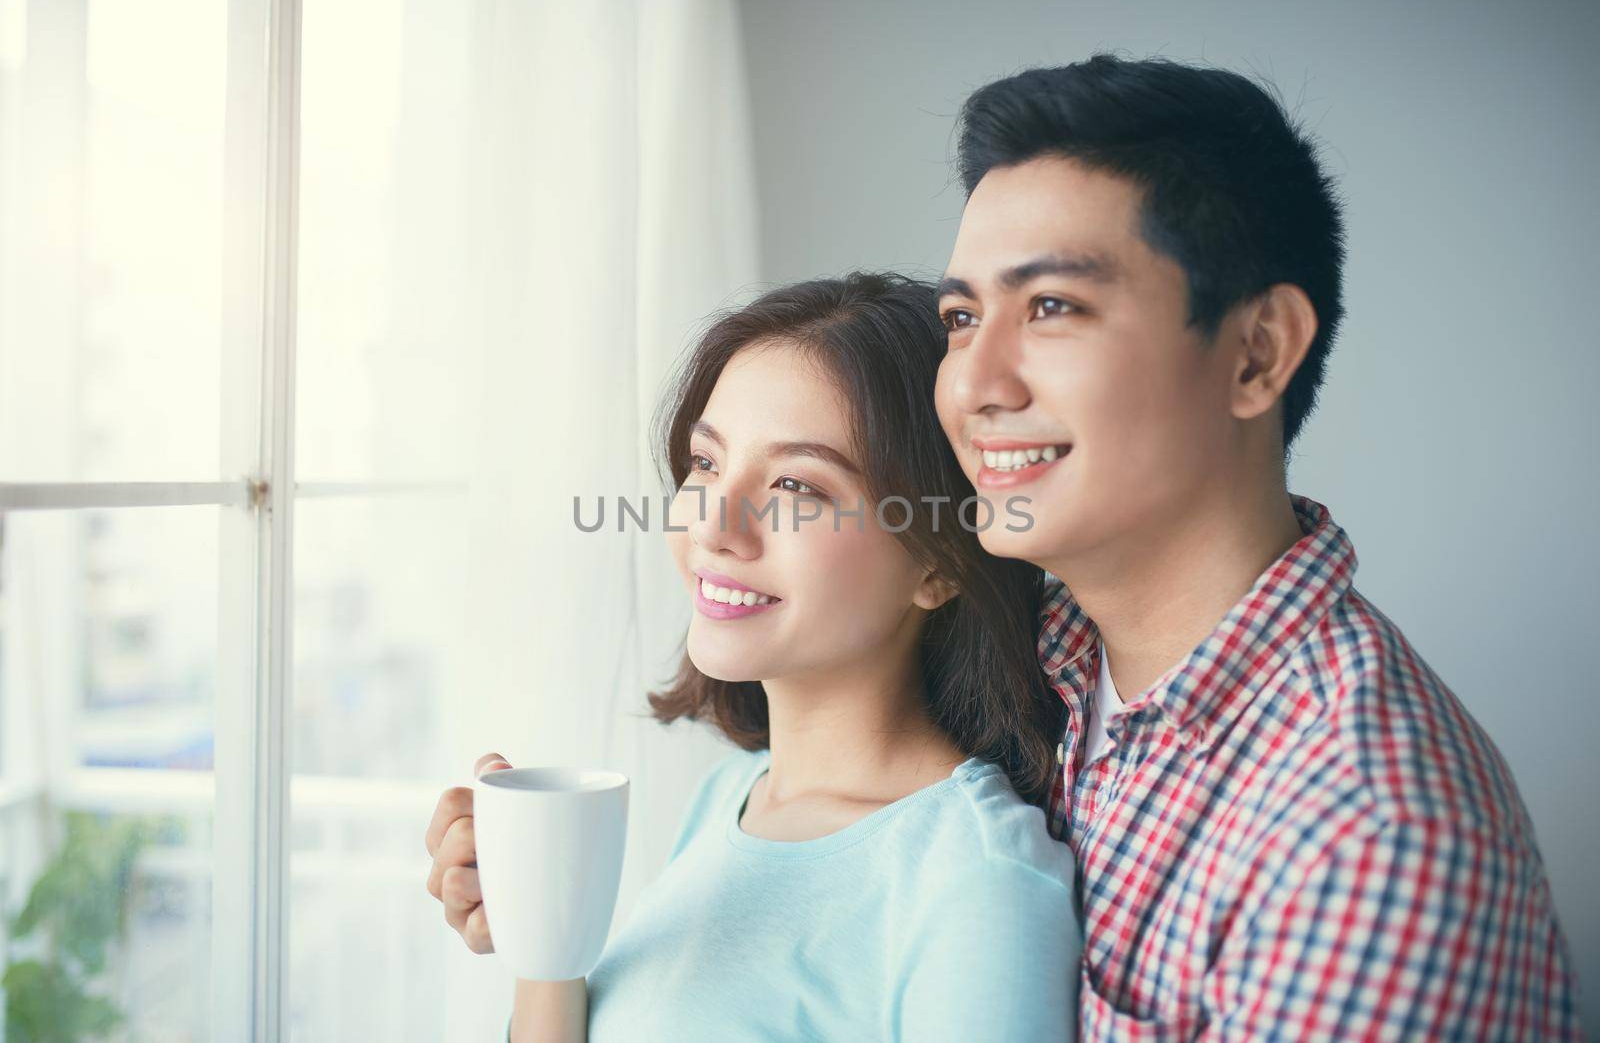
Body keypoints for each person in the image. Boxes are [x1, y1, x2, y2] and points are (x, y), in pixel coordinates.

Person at [932, 54, 1584, 1039]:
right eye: (960, 317)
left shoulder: (1366, 841)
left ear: (1257, 352)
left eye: (1051, 307)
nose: (973, 381)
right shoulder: (1033, 649)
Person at [425, 273, 1081, 1040]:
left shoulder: (978, 887)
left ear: (937, 564)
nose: (714, 524)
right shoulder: (733, 798)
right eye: (706, 464)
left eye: (797, 485)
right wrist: (544, 937)